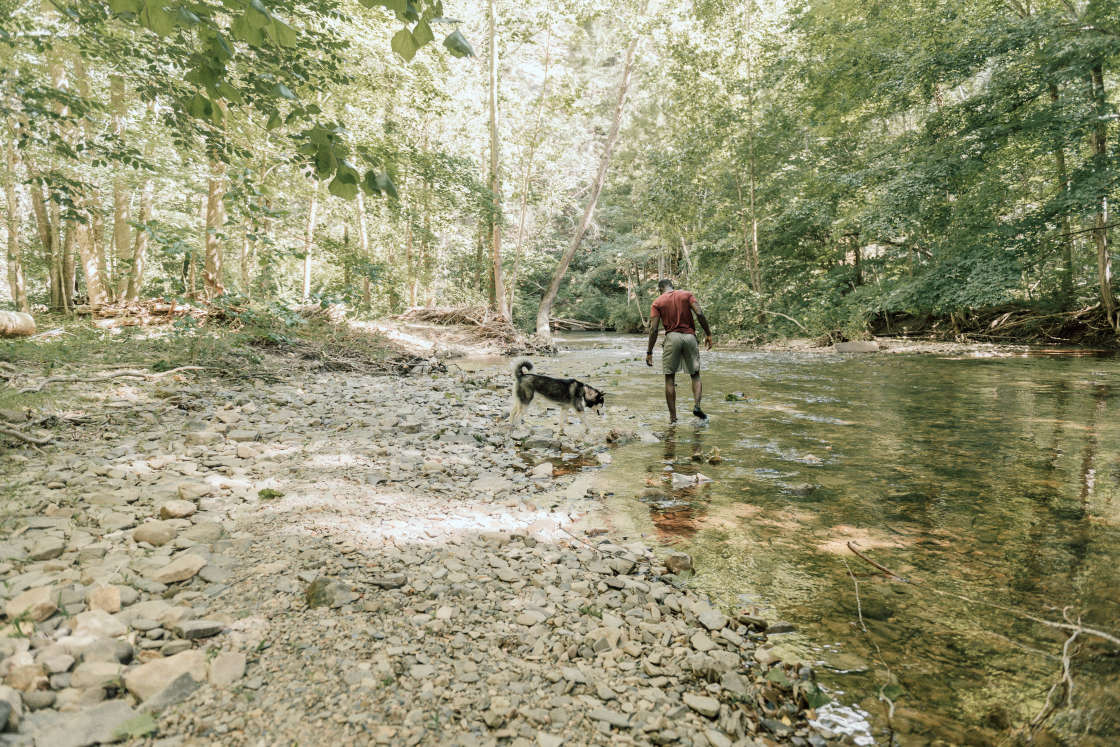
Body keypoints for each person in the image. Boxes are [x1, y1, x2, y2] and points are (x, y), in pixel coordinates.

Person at [645, 278, 713, 423]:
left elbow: (654, 329)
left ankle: (673, 418)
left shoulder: (657, 302)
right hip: (689, 337)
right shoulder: (687, 295)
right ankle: (697, 406)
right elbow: (699, 313)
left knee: (669, 379)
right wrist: (708, 333)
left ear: (660, 289)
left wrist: (649, 352)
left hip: (671, 338)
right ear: (672, 287)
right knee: (695, 375)